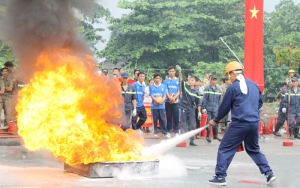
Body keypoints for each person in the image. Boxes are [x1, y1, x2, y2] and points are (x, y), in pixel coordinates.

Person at [207, 61, 276, 186]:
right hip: (253, 123)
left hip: (239, 124)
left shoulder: (232, 88)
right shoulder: (253, 85)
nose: (228, 78)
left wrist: (215, 120)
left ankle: (220, 176)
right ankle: (269, 173)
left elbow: (224, 108)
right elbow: (259, 103)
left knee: (225, 148)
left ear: (233, 73)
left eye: (229, 75)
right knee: (254, 149)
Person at [179, 74, 201, 146]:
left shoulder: (197, 92)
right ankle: (183, 140)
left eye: (192, 80)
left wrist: (199, 112)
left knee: (192, 125)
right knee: (183, 124)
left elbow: (198, 103)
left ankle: (192, 140)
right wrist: (180, 72)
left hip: (191, 109)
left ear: (195, 82)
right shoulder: (185, 87)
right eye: (190, 80)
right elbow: (181, 79)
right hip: (184, 107)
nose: (191, 81)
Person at [201, 75, 222, 142]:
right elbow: (204, 99)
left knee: (216, 121)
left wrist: (220, 107)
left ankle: (216, 135)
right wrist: (203, 107)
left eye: (215, 80)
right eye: (213, 80)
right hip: (208, 108)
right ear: (210, 80)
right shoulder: (207, 88)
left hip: (215, 108)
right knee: (209, 122)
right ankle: (208, 136)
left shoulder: (218, 89)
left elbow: (220, 99)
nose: (214, 81)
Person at [150, 73, 169, 138]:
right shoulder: (151, 86)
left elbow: (164, 95)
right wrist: (156, 100)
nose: (157, 79)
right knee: (155, 119)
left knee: (162, 119)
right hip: (154, 106)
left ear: (160, 79)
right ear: (154, 79)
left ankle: (165, 132)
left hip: (161, 106)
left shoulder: (163, 86)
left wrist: (162, 101)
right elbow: (151, 95)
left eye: (158, 78)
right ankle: (155, 131)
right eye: (156, 78)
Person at [164, 66, 180, 137]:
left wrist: (174, 98)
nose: (171, 73)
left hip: (176, 102)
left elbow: (179, 91)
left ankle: (177, 131)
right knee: (169, 116)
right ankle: (168, 131)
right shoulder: (166, 81)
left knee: (176, 116)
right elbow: (166, 90)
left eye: (172, 71)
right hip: (168, 101)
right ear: (168, 72)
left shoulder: (178, 80)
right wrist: (170, 97)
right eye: (170, 71)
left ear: (175, 72)